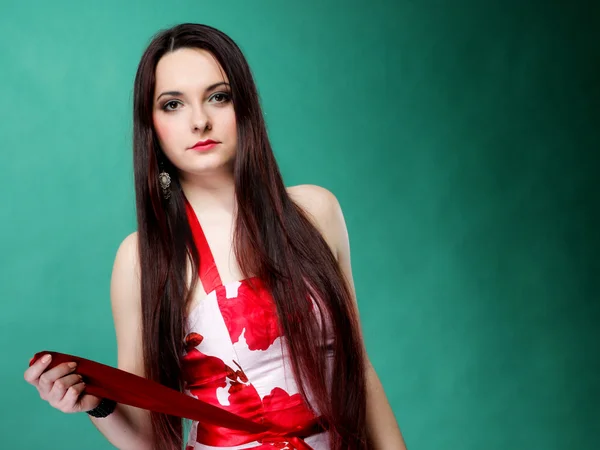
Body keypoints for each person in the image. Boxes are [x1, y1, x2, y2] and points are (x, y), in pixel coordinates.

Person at [24, 23, 406, 450]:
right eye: (172, 105)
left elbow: (361, 371)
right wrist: (99, 405)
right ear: (150, 124)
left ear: (244, 106)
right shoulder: (141, 259)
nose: (200, 121)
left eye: (218, 96)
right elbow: (151, 436)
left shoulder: (316, 211)